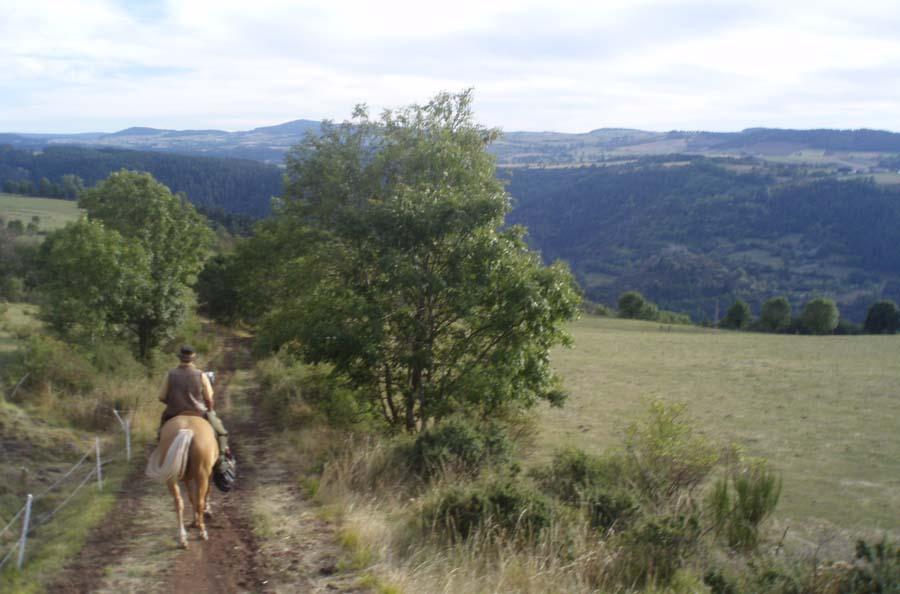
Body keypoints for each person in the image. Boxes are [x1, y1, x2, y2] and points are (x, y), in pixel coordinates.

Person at [158, 345, 231, 467]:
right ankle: (222, 459)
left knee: (161, 433)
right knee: (222, 432)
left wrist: (173, 402)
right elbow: (209, 398)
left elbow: (161, 397)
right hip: (199, 413)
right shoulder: (201, 374)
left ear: (180, 358)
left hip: (174, 412)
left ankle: (161, 455)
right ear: (193, 358)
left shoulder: (170, 374)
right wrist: (210, 410)